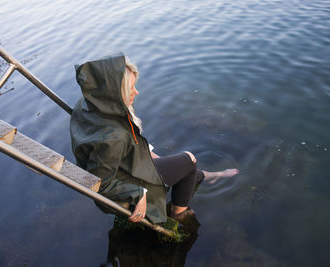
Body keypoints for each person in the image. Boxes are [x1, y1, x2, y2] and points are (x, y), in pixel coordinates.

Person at [70, 53, 238, 224]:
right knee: (189, 160)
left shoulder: (91, 103)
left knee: (176, 164)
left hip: (125, 165)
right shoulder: (113, 137)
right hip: (127, 182)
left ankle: (205, 176)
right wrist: (138, 193)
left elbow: (123, 142)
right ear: (113, 93)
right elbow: (101, 183)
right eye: (130, 89)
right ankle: (179, 213)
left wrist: (148, 153)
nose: (137, 92)